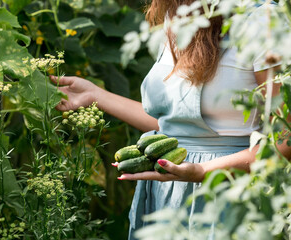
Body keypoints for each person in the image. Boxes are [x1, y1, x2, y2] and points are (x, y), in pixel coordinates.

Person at [51, 0, 291, 239]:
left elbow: (286, 139)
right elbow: (174, 124)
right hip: (167, 192)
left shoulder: (261, 19)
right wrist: (95, 95)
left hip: (229, 191)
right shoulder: (177, 15)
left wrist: (201, 170)